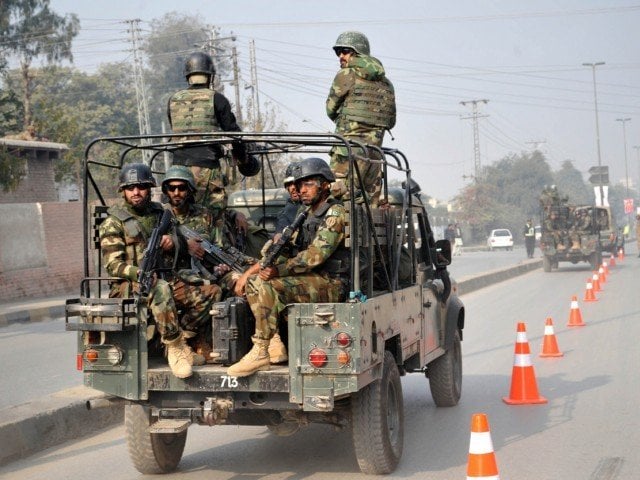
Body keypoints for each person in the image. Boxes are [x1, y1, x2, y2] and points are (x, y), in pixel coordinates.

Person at [227, 157, 350, 377]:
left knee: (270, 286)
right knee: (257, 282)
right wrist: (262, 265)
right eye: (299, 185)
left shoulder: (334, 213)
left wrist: (279, 271)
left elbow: (315, 256)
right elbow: (287, 247)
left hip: (332, 282)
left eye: (308, 184)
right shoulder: (306, 214)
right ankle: (270, 344)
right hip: (311, 280)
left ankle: (261, 350)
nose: (301, 190)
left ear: (324, 184)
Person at [99, 163, 200, 379]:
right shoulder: (113, 222)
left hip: (162, 275)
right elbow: (113, 265)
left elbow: (181, 242)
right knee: (161, 288)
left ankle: (183, 338)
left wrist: (172, 242)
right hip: (128, 286)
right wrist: (139, 273)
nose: (136, 192)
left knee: (209, 292)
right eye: (130, 187)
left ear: (150, 188)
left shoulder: (160, 213)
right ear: (123, 190)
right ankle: (174, 346)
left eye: (141, 187)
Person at [167, 51, 260, 211]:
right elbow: (233, 133)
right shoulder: (216, 98)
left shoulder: (173, 100)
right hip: (206, 167)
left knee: (181, 213)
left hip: (178, 169)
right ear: (210, 77)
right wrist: (243, 158)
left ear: (188, 76)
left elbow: (176, 129)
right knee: (214, 214)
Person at [161, 165, 228, 362]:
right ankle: (180, 340)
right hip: (171, 275)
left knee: (225, 287)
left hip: (201, 272)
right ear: (165, 191)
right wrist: (181, 244)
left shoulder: (204, 215)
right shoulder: (159, 215)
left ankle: (192, 336)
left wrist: (218, 265)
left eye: (181, 188)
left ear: (190, 190)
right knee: (210, 290)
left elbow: (217, 247)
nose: (176, 192)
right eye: (171, 188)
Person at [326, 31, 396, 207]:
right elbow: (391, 121)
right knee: (369, 209)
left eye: (345, 51)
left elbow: (330, 109)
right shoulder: (387, 83)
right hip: (374, 157)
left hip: (347, 154)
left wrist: (348, 121)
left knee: (337, 202)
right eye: (338, 52)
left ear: (358, 52)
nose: (340, 56)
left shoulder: (346, 74)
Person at [275, 161, 303, 236]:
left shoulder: (315, 206)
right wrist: (279, 234)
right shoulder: (288, 208)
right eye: (289, 184)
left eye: (296, 183)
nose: (292, 188)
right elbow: (283, 222)